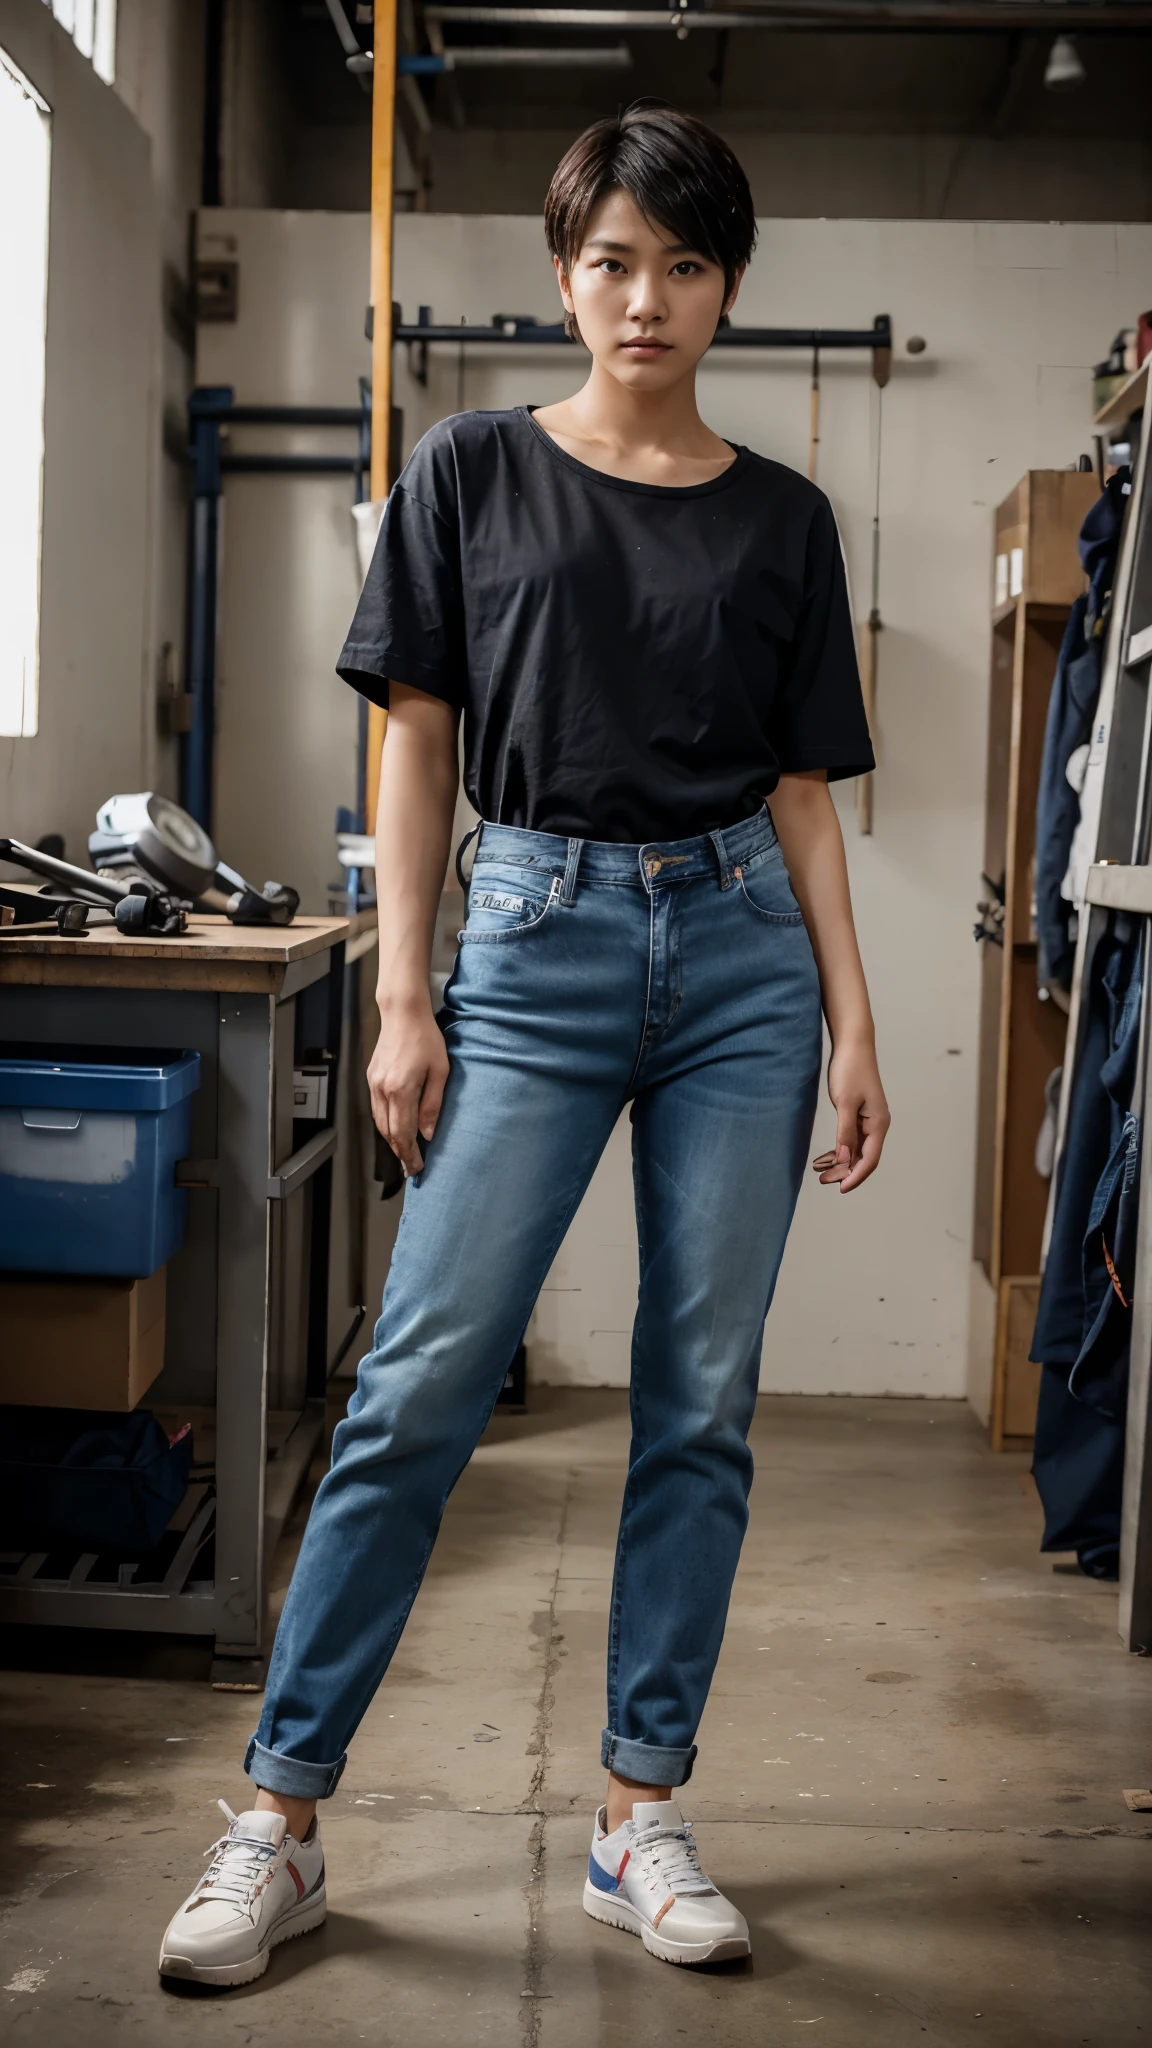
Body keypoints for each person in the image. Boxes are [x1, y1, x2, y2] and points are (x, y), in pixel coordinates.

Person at [159, 100, 889, 1990]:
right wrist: (405, 994)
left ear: (730, 287)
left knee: (700, 1398)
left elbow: (805, 791)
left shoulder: (784, 518)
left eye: (687, 264)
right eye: (613, 261)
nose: (647, 299)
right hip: (534, 938)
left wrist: (857, 1019)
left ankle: (641, 1813)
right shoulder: (473, 470)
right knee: (419, 1383)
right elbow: (413, 737)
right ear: (565, 274)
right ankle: (281, 1822)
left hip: (741, 961)